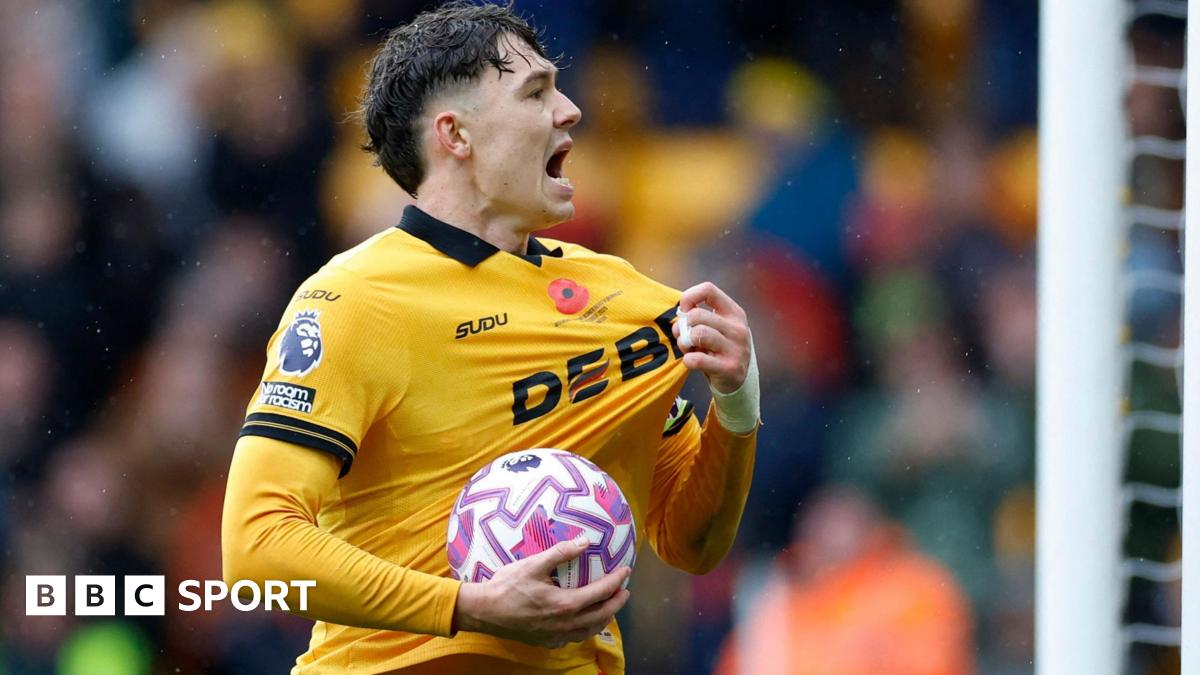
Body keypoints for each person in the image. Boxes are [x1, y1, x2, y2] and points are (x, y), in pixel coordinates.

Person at [220, 2, 760, 674]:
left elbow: (690, 541)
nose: (570, 110)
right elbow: (257, 550)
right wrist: (467, 605)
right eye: (535, 91)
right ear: (456, 135)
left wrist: (737, 404)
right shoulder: (353, 301)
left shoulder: (630, 301)